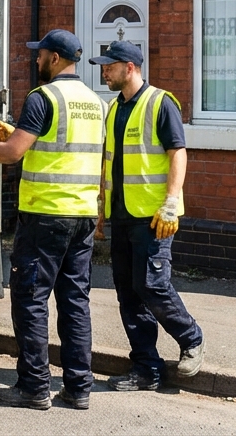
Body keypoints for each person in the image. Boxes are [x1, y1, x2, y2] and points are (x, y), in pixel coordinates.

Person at [0, 29, 102, 411]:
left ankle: (33, 386)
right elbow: (59, 148)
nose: (36, 60)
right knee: (75, 301)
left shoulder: (43, 97)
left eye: (40, 54)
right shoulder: (96, 102)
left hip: (46, 216)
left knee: (31, 300)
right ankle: (79, 387)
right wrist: (18, 136)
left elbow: (12, 153)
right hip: (83, 214)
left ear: (54, 58)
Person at [88, 40, 204, 391]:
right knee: (128, 291)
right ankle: (145, 369)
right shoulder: (112, 109)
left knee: (152, 285)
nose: (104, 71)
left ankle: (191, 339)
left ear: (130, 67)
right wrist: (101, 212)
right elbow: (109, 164)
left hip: (155, 217)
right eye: (103, 66)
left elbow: (177, 153)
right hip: (122, 215)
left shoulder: (160, 103)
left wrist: (171, 202)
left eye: (109, 66)